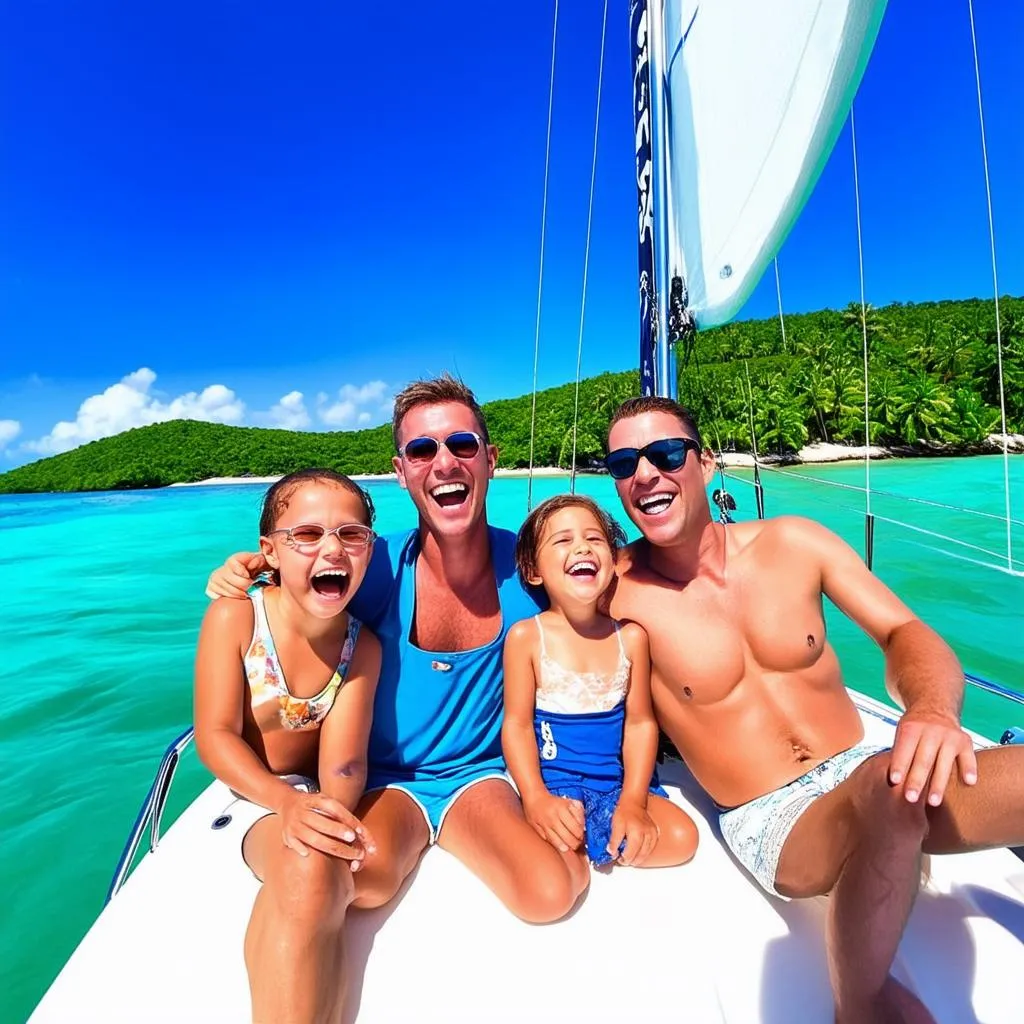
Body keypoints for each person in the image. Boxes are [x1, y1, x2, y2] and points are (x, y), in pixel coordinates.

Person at [602, 395, 1024, 1024]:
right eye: (622, 463)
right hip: (774, 816)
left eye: (664, 453)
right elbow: (534, 654)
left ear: (707, 463)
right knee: (886, 789)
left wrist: (933, 711)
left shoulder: (793, 542)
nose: (644, 474)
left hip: (874, 763)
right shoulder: (612, 591)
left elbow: (903, 631)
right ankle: (860, 1003)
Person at [205, 376, 590, 1018]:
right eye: (422, 451)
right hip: (384, 782)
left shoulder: (532, 564)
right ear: (402, 471)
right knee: (365, 875)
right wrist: (249, 567)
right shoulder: (375, 563)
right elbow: (308, 581)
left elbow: (614, 579)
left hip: (479, 779)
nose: (445, 462)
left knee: (551, 892)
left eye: (463, 443)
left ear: (490, 459)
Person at [194, 468, 381, 1023]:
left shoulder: (361, 645)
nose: (332, 549)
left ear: (369, 549)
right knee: (307, 866)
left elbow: (344, 763)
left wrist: (330, 812)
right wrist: (287, 803)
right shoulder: (236, 617)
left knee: (320, 862)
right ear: (269, 552)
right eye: (306, 535)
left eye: (351, 534)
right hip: (247, 791)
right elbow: (215, 735)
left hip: (309, 794)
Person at [503, 493, 697, 869]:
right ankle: (580, 837)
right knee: (555, 870)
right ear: (533, 571)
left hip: (615, 785)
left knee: (681, 839)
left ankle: (605, 834)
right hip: (553, 784)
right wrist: (536, 797)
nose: (581, 548)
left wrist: (633, 802)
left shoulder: (631, 639)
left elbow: (641, 723)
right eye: (562, 541)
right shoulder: (527, 637)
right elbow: (517, 725)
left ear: (613, 560)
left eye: (594, 539)